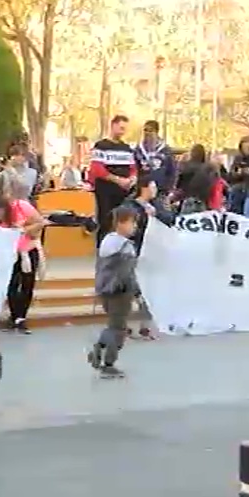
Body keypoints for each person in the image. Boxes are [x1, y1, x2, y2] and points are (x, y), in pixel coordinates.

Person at [87, 206, 139, 379]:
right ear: (121, 223)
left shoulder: (107, 240)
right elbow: (127, 273)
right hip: (120, 291)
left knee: (113, 324)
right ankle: (108, 362)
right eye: (132, 223)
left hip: (105, 289)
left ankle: (99, 348)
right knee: (118, 328)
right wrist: (136, 291)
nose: (134, 227)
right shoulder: (124, 247)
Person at [119, 175, 173, 340]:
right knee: (130, 291)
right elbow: (127, 228)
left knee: (149, 290)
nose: (155, 190)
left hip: (151, 252)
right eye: (153, 186)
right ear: (144, 187)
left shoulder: (156, 205)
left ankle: (145, 326)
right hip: (133, 252)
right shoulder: (129, 206)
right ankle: (123, 325)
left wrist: (157, 214)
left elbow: (169, 220)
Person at [0, 195, 49, 333]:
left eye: (0, 211)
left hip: (28, 249)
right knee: (10, 284)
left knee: (27, 284)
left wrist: (24, 230)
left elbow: (40, 222)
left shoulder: (21, 207)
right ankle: (14, 316)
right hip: (8, 254)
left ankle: (21, 317)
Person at [88, 115, 137, 245]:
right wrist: (117, 180)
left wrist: (131, 179)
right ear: (113, 126)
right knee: (106, 219)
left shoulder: (127, 148)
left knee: (122, 218)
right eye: (120, 128)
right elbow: (97, 168)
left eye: (124, 129)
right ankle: (103, 247)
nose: (122, 131)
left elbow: (133, 168)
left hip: (123, 190)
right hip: (105, 189)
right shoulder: (101, 146)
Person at [174, 144, 224, 214]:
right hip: (203, 201)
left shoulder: (186, 167)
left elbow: (179, 184)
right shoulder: (208, 169)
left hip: (187, 198)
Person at [133, 120, 176, 198]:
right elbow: (135, 168)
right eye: (145, 130)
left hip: (161, 191)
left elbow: (172, 170)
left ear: (156, 132)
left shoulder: (165, 150)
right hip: (143, 191)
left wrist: (168, 189)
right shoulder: (139, 149)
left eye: (150, 130)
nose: (147, 133)